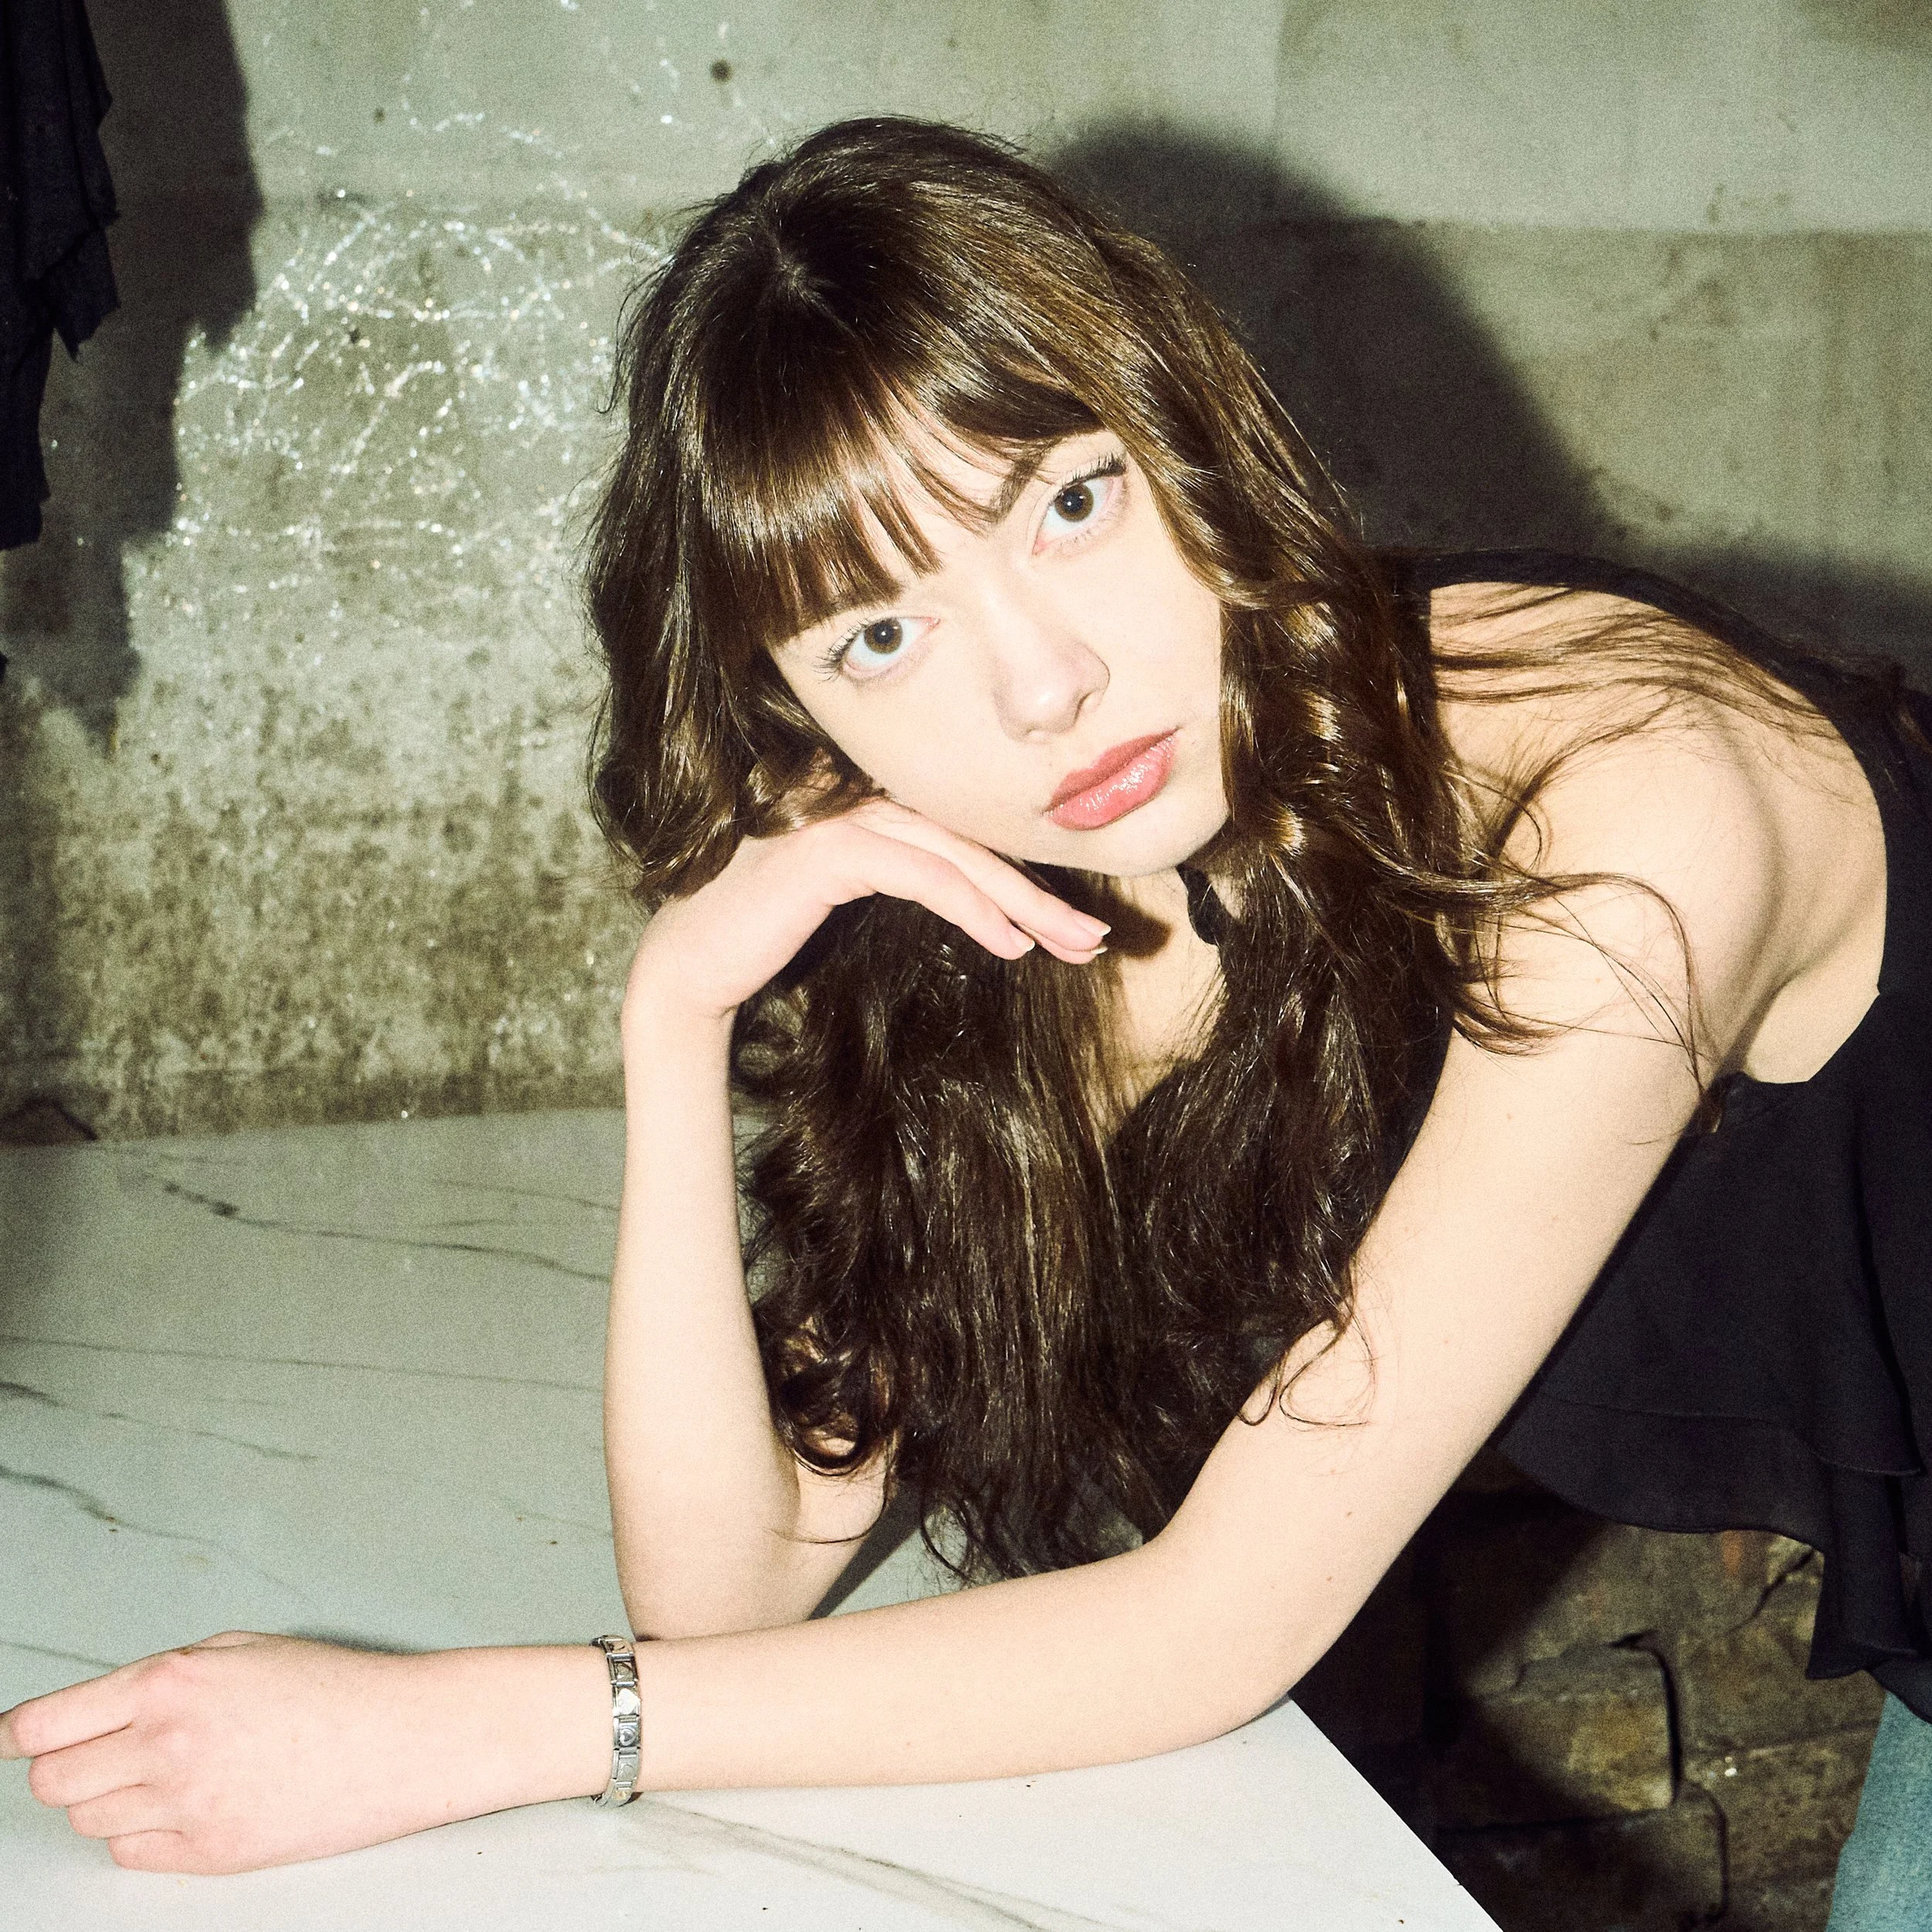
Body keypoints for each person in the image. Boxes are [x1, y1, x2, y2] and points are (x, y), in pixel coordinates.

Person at [2, 118, 1928, 1922]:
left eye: (1070, 502)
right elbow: (725, 1588)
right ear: (793, 721)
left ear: (1184, 434)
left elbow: (1212, 1622)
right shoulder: (1041, 894)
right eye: (878, 634)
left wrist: (460, 1726)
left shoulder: (1628, 802)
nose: (1044, 685)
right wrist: (673, 1016)